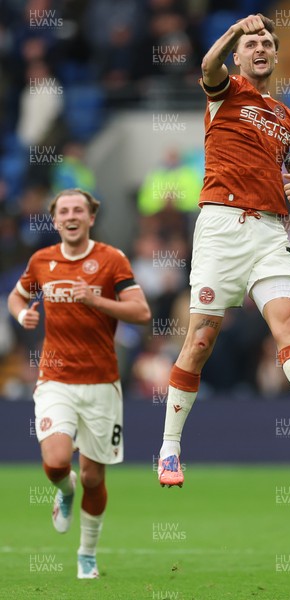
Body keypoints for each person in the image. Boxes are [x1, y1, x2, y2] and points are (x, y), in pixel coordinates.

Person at [157, 13, 290, 488]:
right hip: (221, 225)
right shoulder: (224, 90)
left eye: (268, 43)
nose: (260, 48)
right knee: (200, 340)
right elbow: (208, 64)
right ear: (238, 54)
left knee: (288, 321)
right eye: (251, 43)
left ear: (275, 56)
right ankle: (170, 448)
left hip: (271, 231)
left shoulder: (287, 118)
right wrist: (234, 28)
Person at [8, 188, 151, 578]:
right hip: (56, 379)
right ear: (54, 220)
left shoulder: (111, 259)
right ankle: (63, 490)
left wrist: (97, 301)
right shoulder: (42, 261)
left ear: (91, 217)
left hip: (102, 383)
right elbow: (16, 298)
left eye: (79, 210)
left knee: (94, 476)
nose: (71, 216)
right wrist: (23, 318)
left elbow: (141, 311)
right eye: (64, 211)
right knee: (56, 463)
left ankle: (87, 554)